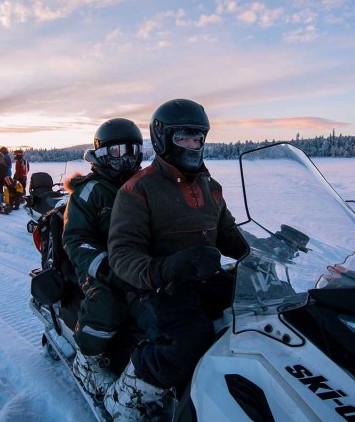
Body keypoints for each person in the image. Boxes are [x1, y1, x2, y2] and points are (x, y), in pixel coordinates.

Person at [104, 99, 249, 420]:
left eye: (197, 138)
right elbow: (123, 255)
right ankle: (125, 396)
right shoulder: (138, 189)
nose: (192, 145)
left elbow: (229, 235)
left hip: (203, 279)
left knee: (259, 315)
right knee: (190, 337)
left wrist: (267, 250)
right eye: (183, 138)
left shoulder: (210, 186)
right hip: (153, 288)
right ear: (162, 139)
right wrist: (165, 268)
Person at [62, 118, 144, 401]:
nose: (127, 159)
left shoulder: (143, 185)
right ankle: (88, 360)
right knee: (108, 303)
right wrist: (107, 267)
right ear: (103, 154)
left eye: (132, 151)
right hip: (99, 265)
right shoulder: (90, 191)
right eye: (118, 152)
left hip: (141, 262)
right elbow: (75, 239)